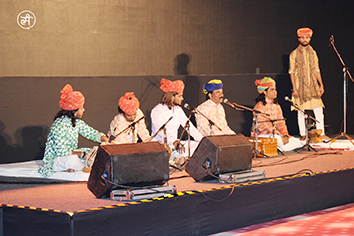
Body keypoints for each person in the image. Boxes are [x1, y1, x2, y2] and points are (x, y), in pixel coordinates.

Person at [38, 84, 109, 177]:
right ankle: (83, 167)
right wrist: (82, 154)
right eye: (81, 108)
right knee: (73, 160)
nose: (84, 110)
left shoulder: (76, 122)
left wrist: (104, 139)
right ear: (74, 110)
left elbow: (90, 132)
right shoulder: (58, 126)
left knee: (95, 152)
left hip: (71, 155)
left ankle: (84, 166)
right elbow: (62, 152)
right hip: (57, 159)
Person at [150, 78, 203, 165]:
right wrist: (173, 141)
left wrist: (203, 140)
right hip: (161, 144)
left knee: (197, 145)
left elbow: (189, 126)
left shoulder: (178, 110)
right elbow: (161, 131)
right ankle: (174, 160)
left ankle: (175, 161)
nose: (182, 98)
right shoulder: (157, 110)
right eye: (179, 96)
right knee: (170, 150)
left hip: (175, 144)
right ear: (171, 96)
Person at [289, 27, 328, 140]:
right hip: (300, 86)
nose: (305, 40)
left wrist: (321, 84)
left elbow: (316, 69)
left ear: (310, 39)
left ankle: (321, 132)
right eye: (303, 38)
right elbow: (291, 72)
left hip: (313, 86)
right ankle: (303, 134)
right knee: (301, 112)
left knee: (319, 109)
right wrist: (294, 89)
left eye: (307, 37)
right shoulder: (294, 54)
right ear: (299, 39)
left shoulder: (313, 53)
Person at [251, 77, 303, 152]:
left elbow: (281, 123)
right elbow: (263, 127)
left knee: (297, 141)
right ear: (265, 92)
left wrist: (285, 135)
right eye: (272, 89)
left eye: (275, 89)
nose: (275, 92)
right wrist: (280, 136)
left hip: (277, 135)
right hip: (263, 135)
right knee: (277, 139)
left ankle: (278, 149)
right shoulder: (259, 107)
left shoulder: (277, 106)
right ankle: (279, 148)